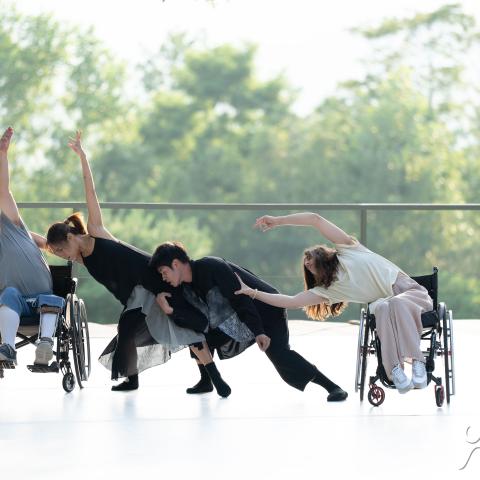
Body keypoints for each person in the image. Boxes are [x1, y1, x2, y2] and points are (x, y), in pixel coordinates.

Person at [46, 131, 230, 396]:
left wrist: (83, 157)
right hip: (135, 295)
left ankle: (211, 378)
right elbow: (44, 243)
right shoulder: (81, 257)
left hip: (155, 280)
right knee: (127, 328)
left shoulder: (96, 230)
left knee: (184, 325)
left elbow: (91, 190)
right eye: (58, 254)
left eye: (63, 249)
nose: (63, 256)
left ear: (72, 235)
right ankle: (132, 380)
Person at [234, 212, 432, 394]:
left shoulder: (349, 250)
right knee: (380, 307)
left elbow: (315, 219)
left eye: (309, 258)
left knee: (393, 304)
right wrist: (253, 292)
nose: (307, 263)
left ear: (322, 254)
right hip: (386, 307)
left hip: (411, 294)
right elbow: (291, 301)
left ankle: (417, 362)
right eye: (306, 265)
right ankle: (394, 370)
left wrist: (277, 221)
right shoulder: (327, 291)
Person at [150, 241, 348, 402]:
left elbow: (241, 299)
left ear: (176, 264)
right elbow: (198, 322)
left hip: (267, 309)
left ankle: (333, 387)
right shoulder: (187, 286)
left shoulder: (211, 267)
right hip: (238, 318)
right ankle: (206, 380)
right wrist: (170, 310)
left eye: (164, 272)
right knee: (197, 336)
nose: (163, 277)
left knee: (281, 356)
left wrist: (259, 331)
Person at [0, 127, 64, 367]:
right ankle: (8, 347)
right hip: (12, 297)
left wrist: (3, 155)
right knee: (8, 296)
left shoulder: (12, 224)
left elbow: (3, 190)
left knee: (50, 299)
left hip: (41, 294)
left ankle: (45, 344)